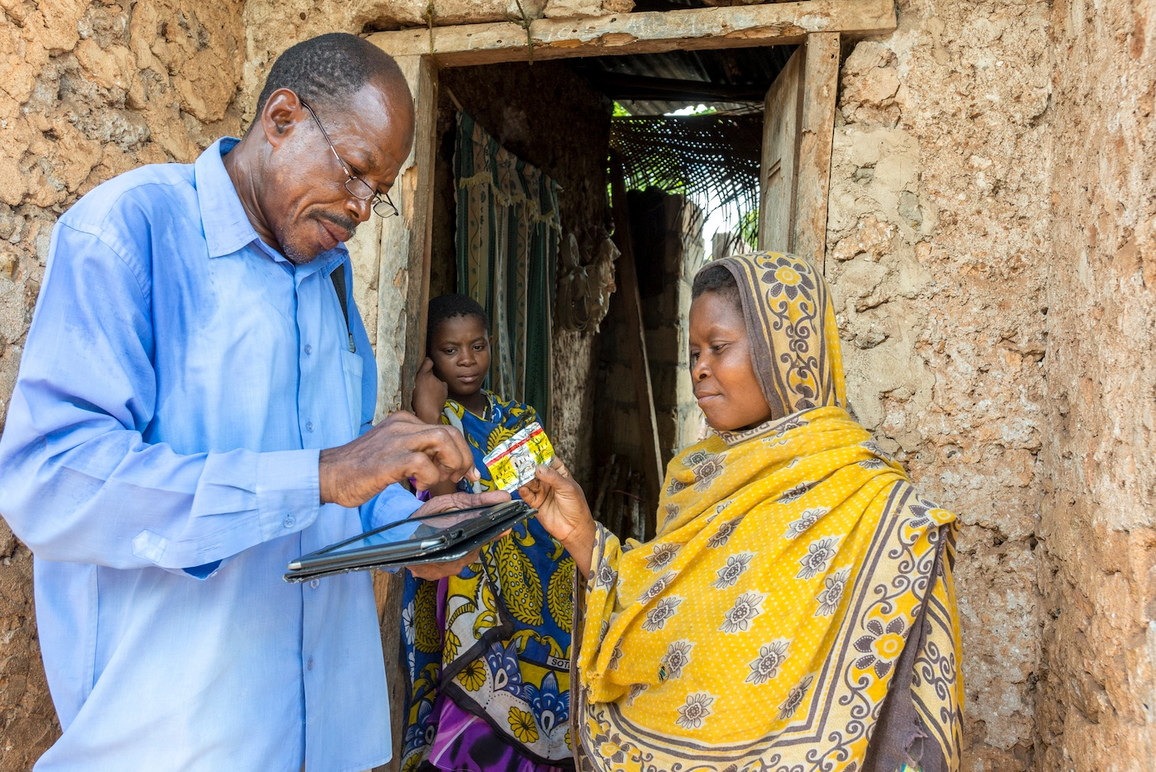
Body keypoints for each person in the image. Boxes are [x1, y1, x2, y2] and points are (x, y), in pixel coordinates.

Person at [0, 34, 504, 772]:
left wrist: (408, 527)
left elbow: (337, 483)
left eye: (380, 192)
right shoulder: (131, 235)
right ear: (282, 117)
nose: (363, 209)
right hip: (177, 746)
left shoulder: (328, 280)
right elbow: (51, 479)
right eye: (356, 172)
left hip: (325, 740)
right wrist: (322, 473)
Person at [521, 252, 963, 772]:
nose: (700, 368)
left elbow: (906, 720)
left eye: (719, 347)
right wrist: (580, 534)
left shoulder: (881, 509)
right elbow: (662, 625)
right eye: (693, 352)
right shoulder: (697, 482)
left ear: (784, 355)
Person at [401, 293, 574, 772]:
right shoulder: (428, 422)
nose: (467, 360)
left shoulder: (518, 417)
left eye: (477, 346)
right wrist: (428, 413)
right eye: (450, 350)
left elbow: (549, 488)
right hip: (472, 578)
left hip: (537, 569)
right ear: (430, 357)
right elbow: (436, 500)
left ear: (491, 345)